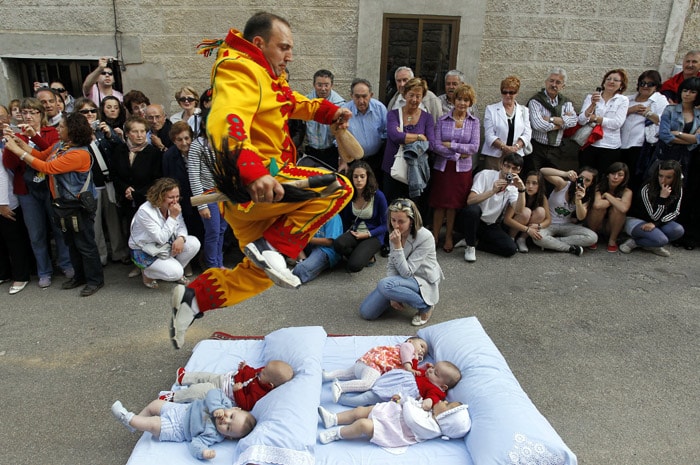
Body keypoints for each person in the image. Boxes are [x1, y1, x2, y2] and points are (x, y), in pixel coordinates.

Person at [170, 11, 353, 349]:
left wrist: (328, 112)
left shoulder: (268, 78)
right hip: (259, 184)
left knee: (260, 275)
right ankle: (272, 248)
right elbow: (226, 120)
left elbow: (290, 102)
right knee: (337, 187)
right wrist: (252, 170)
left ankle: (193, 300)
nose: (290, 55)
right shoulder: (240, 70)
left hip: (254, 200)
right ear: (259, 43)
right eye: (283, 47)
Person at [3, 113, 104, 296]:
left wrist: (19, 152)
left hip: (77, 205)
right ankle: (79, 276)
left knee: (85, 244)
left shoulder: (79, 154)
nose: (58, 129)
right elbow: (41, 155)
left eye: (62, 126)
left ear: (71, 130)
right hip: (64, 204)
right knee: (71, 243)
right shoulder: (61, 146)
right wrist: (20, 142)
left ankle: (95, 280)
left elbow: (47, 168)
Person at [2, 98, 73, 289]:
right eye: (25, 112)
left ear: (41, 115)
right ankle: (44, 271)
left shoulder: (52, 133)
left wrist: (34, 137)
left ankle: (65, 264)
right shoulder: (16, 135)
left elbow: (51, 155)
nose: (28, 116)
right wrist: (10, 143)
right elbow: (9, 164)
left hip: (50, 188)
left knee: (59, 229)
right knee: (36, 233)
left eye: (33, 112)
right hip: (27, 191)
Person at [359, 198, 442, 325]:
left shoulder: (425, 237)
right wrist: (392, 295)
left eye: (401, 221)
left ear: (411, 221)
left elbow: (407, 273)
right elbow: (392, 265)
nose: (396, 225)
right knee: (366, 312)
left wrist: (397, 246)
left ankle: (425, 306)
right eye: (393, 220)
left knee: (384, 285)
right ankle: (398, 293)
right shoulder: (395, 232)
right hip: (402, 279)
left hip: (422, 279)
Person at [111, 388, 256, 460]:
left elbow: (196, 444)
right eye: (231, 416)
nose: (225, 420)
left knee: (154, 425)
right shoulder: (223, 403)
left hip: (178, 428)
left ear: (228, 437)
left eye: (228, 427)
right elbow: (213, 392)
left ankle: (128, 418)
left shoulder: (214, 435)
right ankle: (133, 424)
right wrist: (216, 408)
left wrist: (203, 452)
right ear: (235, 408)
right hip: (182, 410)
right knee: (154, 405)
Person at [73, 97, 129, 265]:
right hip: (91, 185)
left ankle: (119, 253)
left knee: (114, 220)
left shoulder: (102, 130)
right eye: (84, 111)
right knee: (95, 224)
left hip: (108, 182)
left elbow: (120, 149)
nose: (89, 114)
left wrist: (110, 135)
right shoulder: (75, 135)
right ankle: (100, 257)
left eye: (92, 111)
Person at [430, 83, 479, 252]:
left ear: (470, 102)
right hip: (443, 168)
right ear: (454, 99)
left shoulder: (474, 122)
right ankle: (435, 237)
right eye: (459, 99)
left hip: (462, 171)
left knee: (452, 206)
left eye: (466, 100)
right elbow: (436, 145)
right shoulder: (443, 120)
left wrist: (451, 144)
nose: (462, 103)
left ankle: (449, 236)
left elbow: (473, 147)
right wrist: (458, 153)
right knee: (439, 204)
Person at [317, 395, 471, 447]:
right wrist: (407, 401)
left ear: (445, 420)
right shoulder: (430, 413)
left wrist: (407, 401)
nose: (443, 401)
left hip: (390, 430)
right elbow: (412, 406)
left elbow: (411, 418)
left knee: (363, 425)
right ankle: (334, 418)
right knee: (360, 410)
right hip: (389, 413)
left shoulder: (433, 429)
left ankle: (337, 434)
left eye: (447, 405)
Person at [128, 177, 201, 288]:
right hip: (145, 249)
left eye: (177, 196)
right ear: (160, 196)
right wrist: (172, 216)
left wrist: (181, 238)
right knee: (175, 272)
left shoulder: (172, 206)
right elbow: (160, 238)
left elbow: (181, 226)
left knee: (194, 243)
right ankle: (148, 273)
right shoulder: (145, 211)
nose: (175, 201)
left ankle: (172, 270)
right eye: (171, 197)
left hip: (164, 246)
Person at [455, 153, 527, 262]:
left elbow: (519, 210)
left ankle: (474, 242)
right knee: (473, 210)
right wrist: (492, 191)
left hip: (489, 224)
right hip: (471, 219)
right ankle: (470, 247)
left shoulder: (513, 187)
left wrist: (522, 189)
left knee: (511, 249)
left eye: (514, 169)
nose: (509, 171)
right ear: (501, 165)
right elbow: (470, 201)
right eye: (507, 166)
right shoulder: (485, 175)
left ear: (519, 171)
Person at [656, 77, 700, 248]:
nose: (687, 94)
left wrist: (679, 134)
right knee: (661, 187)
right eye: (685, 90)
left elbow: (698, 140)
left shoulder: (698, 114)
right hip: (668, 155)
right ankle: (656, 224)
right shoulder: (671, 110)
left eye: (692, 91)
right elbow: (665, 136)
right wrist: (690, 139)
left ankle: (674, 229)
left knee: (680, 192)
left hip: (686, 158)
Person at [381, 78, 434, 216]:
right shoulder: (393, 114)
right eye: (411, 95)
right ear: (404, 95)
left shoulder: (427, 117)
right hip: (393, 169)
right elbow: (394, 136)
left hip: (416, 170)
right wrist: (419, 137)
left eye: (418, 96)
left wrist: (404, 135)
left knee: (412, 210)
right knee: (392, 207)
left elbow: (431, 143)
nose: (415, 99)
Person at [322, 336, 428, 402]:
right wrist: (410, 365)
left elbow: (413, 370)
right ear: (410, 341)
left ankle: (328, 375)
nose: (422, 351)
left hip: (365, 362)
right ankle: (340, 386)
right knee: (367, 383)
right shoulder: (407, 347)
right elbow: (407, 363)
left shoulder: (409, 358)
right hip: (376, 364)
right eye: (422, 346)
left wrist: (424, 367)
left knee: (348, 373)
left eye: (424, 353)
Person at [111, 116, 164, 244]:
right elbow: (115, 174)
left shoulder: (154, 153)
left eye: (143, 131)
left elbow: (157, 179)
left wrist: (136, 194)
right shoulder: (119, 151)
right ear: (128, 134)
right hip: (126, 200)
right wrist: (125, 189)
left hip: (146, 200)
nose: (140, 135)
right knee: (130, 230)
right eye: (135, 131)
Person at [162, 360, 294, 408]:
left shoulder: (259, 393)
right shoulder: (263, 372)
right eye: (263, 368)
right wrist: (245, 367)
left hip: (223, 393)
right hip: (225, 379)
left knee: (201, 390)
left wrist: (238, 392)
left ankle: (174, 397)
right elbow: (253, 372)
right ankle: (183, 378)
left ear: (270, 384)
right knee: (205, 376)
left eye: (264, 373)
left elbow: (246, 405)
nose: (261, 371)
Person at [188, 110, 228, 269]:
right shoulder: (197, 145)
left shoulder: (224, 141)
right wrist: (202, 205)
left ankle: (219, 264)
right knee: (212, 231)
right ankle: (212, 267)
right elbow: (194, 176)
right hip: (207, 194)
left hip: (224, 194)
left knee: (222, 231)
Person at [334, 360, 462, 409]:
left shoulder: (435, 390)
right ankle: (342, 385)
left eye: (435, 373)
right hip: (391, 380)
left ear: (443, 386)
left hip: (397, 391)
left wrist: (428, 403)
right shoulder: (427, 374)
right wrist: (420, 364)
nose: (430, 370)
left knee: (369, 397)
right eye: (433, 368)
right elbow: (415, 370)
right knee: (369, 383)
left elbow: (432, 400)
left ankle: (344, 400)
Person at [620, 159, 684, 257]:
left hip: (656, 222)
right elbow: (653, 216)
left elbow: (675, 212)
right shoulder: (647, 188)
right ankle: (635, 242)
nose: (663, 180)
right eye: (660, 176)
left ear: (675, 178)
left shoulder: (678, 187)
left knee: (678, 230)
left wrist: (656, 224)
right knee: (661, 240)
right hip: (637, 220)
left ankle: (649, 243)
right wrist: (662, 199)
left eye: (668, 177)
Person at [0, 107, 33, 295]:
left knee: (14, 239)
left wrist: (2, 203)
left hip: (7, 199)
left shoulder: (11, 138)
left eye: (1, 116)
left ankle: (20, 276)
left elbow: (3, 175)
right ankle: (4, 272)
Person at [334, 161, 388, 272]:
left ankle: (369, 256)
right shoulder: (350, 194)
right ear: (351, 178)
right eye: (355, 177)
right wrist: (344, 234)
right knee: (338, 244)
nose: (359, 180)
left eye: (362, 176)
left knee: (354, 266)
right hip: (355, 232)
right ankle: (359, 251)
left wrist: (367, 234)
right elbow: (346, 219)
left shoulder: (378, 196)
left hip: (373, 235)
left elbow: (386, 224)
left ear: (368, 177)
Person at [620, 70, 668, 190]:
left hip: (641, 146)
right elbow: (615, 117)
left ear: (656, 86)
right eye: (642, 83)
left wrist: (648, 113)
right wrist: (630, 110)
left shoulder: (660, 100)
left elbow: (665, 122)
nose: (645, 86)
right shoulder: (628, 99)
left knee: (634, 179)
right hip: (620, 144)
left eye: (650, 84)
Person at [578, 69, 630, 174]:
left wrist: (596, 118)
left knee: (604, 178)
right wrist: (592, 104)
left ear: (621, 85)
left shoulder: (623, 100)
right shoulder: (591, 97)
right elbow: (581, 120)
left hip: (610, 146)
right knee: (584, 175)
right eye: (609, 79)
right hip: (589, 143)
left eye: (616, 80)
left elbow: (617, 123)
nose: (611, 82)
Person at [536, 167, 599, 255]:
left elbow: (581, 217)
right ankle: (569, 248)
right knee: (537, 237)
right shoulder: (563, 185)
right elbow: (542, 171)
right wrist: (565, 173)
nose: (583, 182)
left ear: (591, 183)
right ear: (577, 176)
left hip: (566, 224)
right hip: (549, 223)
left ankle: (552, 243)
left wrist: (578, 200)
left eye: (587, 180)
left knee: (592, 237)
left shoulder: (587, 196)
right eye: (581, 178)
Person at [527, 68, 578, 171]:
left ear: (563, 86)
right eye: (551, 81)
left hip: (556, 149)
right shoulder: (536, 101)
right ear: (546, 82)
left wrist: (551, 119)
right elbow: (538, 125)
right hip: (537, 148)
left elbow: (573, 121)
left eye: (558, 82)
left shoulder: (566, 102)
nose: (554, 84)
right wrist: (562, 123)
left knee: (552, 181)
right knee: (534, 177)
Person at [481, 76, 532, 172]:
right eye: (505, 92)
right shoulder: (491, 109)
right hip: (495, 156)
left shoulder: (524, 111)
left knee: (512, 184)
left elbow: (527, 133)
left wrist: (515, 147)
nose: (508, 95)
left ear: (517, 93)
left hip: (515, 157)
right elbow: (489, 135)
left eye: (511, 92)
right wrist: (504, 148)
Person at [341, 78, 387, 180]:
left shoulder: (380, 109)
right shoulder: (344, 112)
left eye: (364, 96)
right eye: (357, 97)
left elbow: (386, 133)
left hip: (376, 160)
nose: (361, 101)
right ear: (351, 96)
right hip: (354, 162)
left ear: (371, 95)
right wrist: (343, 161)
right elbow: (339, 140)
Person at [586, 162, 633, 252]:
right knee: (599, 209)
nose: (615, 177)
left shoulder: (627, 191)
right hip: (596, 223)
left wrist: (607, 196)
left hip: (612, 226)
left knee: (618, 210)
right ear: (608, 175)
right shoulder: (599, 187)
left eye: (620, 175)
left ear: (624, 178)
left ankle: (612, 240)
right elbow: (597, 205)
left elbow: (624, 208)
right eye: (613, 173)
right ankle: (592, 237)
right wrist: (616, 201)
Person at [303, 69, 345, 169]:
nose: (323, 89)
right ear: (314, 84)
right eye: (319, 85)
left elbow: (342, 134)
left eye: (326, 85)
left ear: (332, 85)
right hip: (310, 151)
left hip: (331, 152)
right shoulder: (306, 102)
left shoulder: (340, 105)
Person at [503, 171, 550, 253]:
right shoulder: (519, 194)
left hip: (528, 230)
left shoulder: (541, 197)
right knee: (525, 212)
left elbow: (548, 219)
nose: (530, 186)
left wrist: (539, 226)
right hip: (513, 227)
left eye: (534, 183)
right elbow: (507, 219)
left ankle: (522, 239)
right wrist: (527, 229)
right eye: (527, 182)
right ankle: (511, 238)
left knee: (541, 211)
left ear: (540, 186)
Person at [292, 213, 342, 283]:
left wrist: (305, 239)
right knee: (290, 235)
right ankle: (302, 260)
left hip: (325, 249)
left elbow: (330, 242)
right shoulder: (310, 211)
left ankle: (302, 265)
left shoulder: (333, 216)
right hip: (310, 245)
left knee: (300, 270)